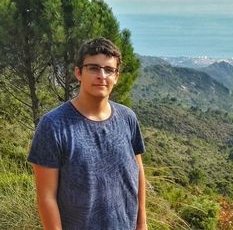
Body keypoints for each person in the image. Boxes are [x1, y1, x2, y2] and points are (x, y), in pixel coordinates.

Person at [28, 38, 147, 229]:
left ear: (116, 77)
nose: (101, 75)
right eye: (93, 68)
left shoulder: (128, 118)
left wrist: (142, 224)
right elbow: (46, 197)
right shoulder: (53, 125)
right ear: (78, 73)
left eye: (109, 70)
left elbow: (138, 173)